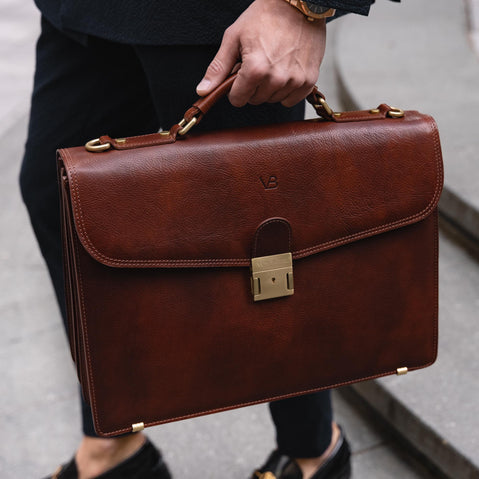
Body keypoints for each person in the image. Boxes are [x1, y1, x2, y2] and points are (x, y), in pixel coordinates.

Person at [20, 1, 398, 478]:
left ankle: (312, 453)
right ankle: (112, 449)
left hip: (220, 19)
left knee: (265, 239)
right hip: (86, 12)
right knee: (58, 198)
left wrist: (302, 7)